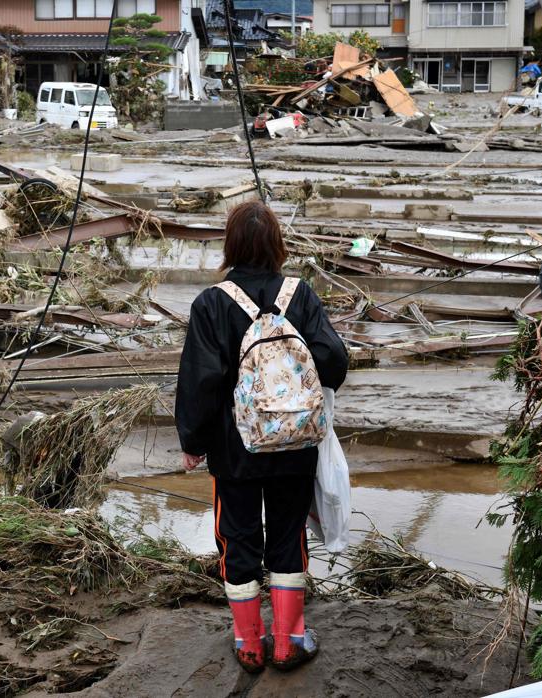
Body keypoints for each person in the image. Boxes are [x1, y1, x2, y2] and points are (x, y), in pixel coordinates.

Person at [175, 200, 349, 673]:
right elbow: (334, 361)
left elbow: (200, 380)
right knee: (289, 535)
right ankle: (289, 639)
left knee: (237, 537)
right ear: (277, 245)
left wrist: (192, 442)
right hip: (296, 444)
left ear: (230, 245)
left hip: (236, 452)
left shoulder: (211, 303)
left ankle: (249, 642)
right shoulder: (302, 295)